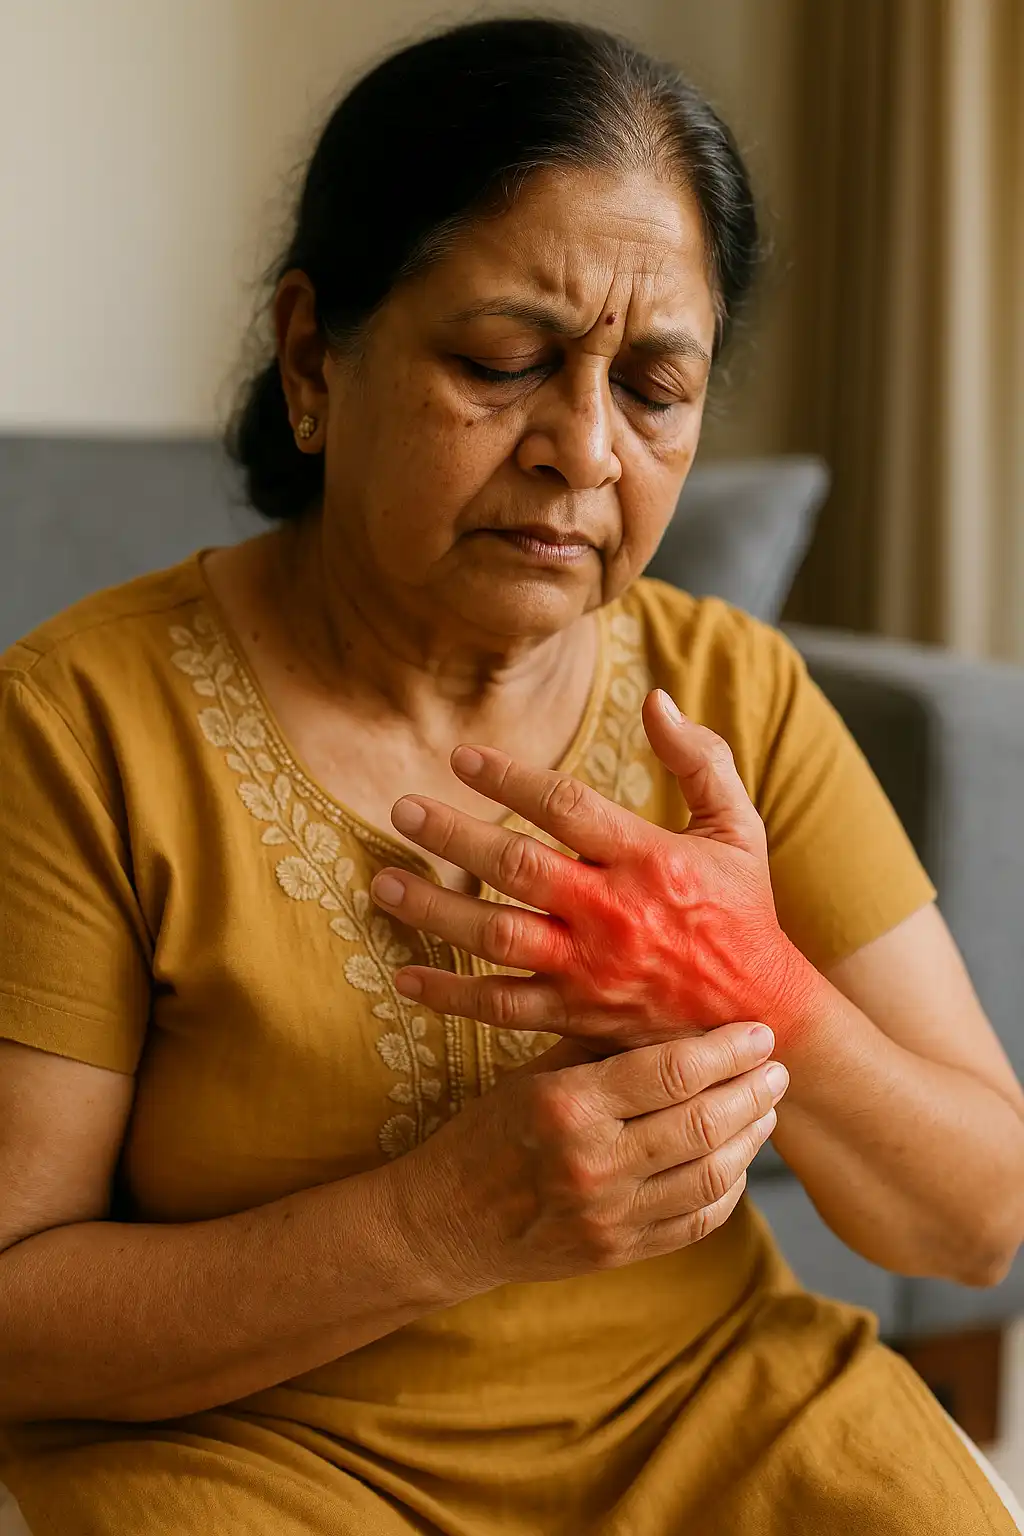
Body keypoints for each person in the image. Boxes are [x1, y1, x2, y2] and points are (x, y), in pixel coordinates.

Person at [0, 18, 1022, 1535]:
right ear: (311, 359)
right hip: (255, 1452)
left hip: (712, 1411)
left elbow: (976, 1221)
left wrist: (757, 984)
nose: (583, 451)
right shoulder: (82, 721)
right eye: (503, 363)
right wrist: (443, 1222)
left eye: (656, 389)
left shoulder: (732, 692)